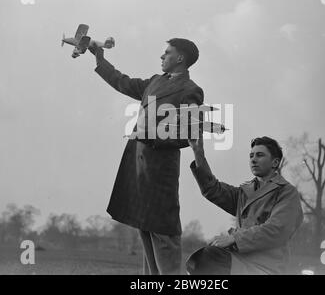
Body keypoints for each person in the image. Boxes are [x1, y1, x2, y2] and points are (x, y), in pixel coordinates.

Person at [89, 38, 204, 275]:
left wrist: (153, 137)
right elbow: (122, 82)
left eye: (167, 52)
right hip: (139, 169)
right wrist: (99, 58)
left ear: (180, 58)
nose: (162, 56)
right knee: (146, 232)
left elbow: (191, 135)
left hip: (161, 174)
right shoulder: (154, 82)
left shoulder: (190, 90)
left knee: (165, 237)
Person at [186, 135, 303, 274]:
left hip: (265, 267)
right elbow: (212, 189)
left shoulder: (287, 192)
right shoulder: (244, 192)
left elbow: (276, 230)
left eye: (259, 155)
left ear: (275, 162)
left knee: (209, 258)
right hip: (240, 260)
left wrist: (234, 239)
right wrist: (198, 152)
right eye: (251, 155)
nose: (253, 159)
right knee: (197, 262)